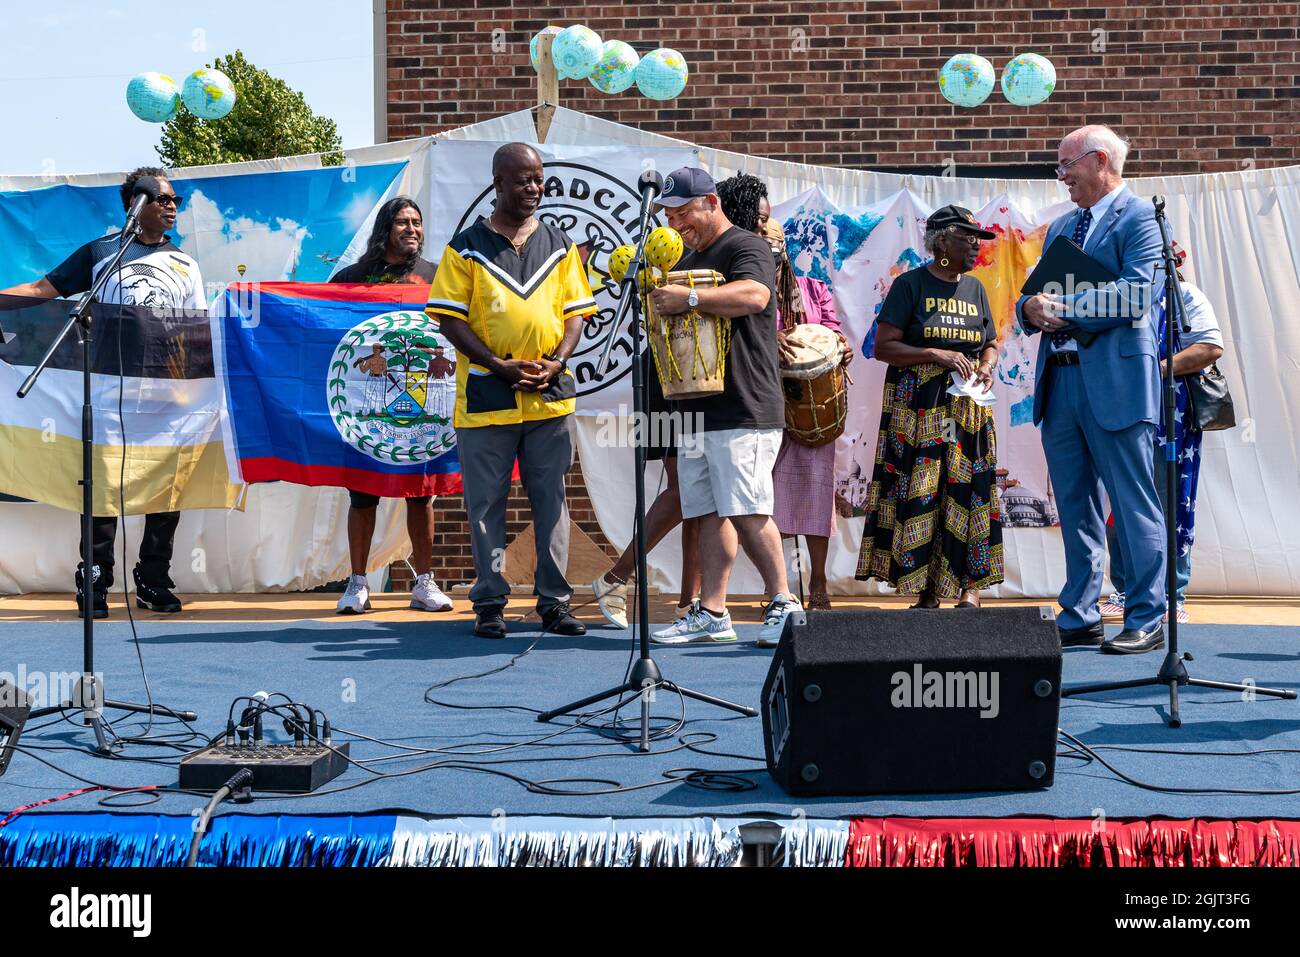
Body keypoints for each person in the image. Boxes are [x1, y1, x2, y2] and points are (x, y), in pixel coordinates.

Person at [1, 166, 205, 619]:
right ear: (136, 204)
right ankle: (94, 579)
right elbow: (42, 288)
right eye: (162, 198)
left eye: (175, 199)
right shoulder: (101, 253)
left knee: (165, 492)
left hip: (165, 395)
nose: (172, 206)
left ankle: (153, 580)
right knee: (101, 492)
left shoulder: (186, 265)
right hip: (110, 392)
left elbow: (194, 333)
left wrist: (187, 391)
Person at [426, 143, 597, 639]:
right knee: (485, 507)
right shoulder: (467, 246)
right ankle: (490, 602)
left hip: (549, 391)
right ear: (497, 183)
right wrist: (498, 367)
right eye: (522, 180)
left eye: (539, 178)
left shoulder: (561, 243)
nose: (534, 188)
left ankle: (555, 602)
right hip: (486, 394)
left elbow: (576, 313)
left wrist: (557, 361)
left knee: (552, 501)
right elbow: (447, 318)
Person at [1017, 124, 1167, 654]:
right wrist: (1029, 308)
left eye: (1066, 166)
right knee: (1075, 505)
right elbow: (1032, 295)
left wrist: (1065, 310)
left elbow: (1136, 295)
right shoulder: (1062, 228)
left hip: (1116, 382)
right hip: (1060, 383)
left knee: (1133, 502)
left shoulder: (1142, 216)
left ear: (1099, 160)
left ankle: (1146, 614)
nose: (1061, 178)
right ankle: (1079, 612)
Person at [647, 167, 801, 647]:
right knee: (709, 509)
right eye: (669, 215)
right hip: (699, 406)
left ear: (711, 203)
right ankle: (712, 612)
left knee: (748, 508)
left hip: (744, 403)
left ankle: (784, 603)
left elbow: (756, 296)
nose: (676, 223)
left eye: (683, 212)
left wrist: (689, 297)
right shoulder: (692, 253)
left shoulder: (745, 246)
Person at [854, 205, 1004, 607]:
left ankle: (969, 588)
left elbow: (990, 340)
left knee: (969, 490)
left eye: (979, 238)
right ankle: (925, 589)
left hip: (968, 409)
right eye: (966, 237)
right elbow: (883, 346)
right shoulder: (910, 286)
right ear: (940, 241)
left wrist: (987, 364)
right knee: (923, 490)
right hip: (919, 407)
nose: (975, 244)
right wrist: (935, 354)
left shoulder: (975, 289)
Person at [718, 173, 851, 609]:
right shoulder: (737, 285)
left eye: (776, 241)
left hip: (810, 410)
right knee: (761, 497)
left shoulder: (813, 290)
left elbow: (831, 334)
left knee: (815, 494)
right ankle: (775, 588)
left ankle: (818, 585)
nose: (769, 245)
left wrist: (837, 348)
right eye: (762, 235)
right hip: (760, 404)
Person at [329, 196, 452, 615]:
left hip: (421, 407)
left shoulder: (437, 277)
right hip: (366, 407)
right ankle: (358, 584)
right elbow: (325, 328)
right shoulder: (353, 277)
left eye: (417, 222)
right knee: (362, 495)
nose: (412, 229)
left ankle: (425, 583)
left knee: (421, 495)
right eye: (403, 222)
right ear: (386, 228)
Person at [1101, 242, 1223, 626]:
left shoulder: (1187, 297)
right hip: (1124, 415)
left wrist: (1157, 367)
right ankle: (1124, 588)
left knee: (1172, 503)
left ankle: (1174, 592)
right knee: (1123, 502)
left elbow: (1209, 347)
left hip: (1172, 418)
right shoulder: (1121, 299)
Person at [590, 350, 702, 629]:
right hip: (673, 370)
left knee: (701, 499)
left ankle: (690, 603)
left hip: (706, 374)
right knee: (687, 491)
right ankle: (616, 576)